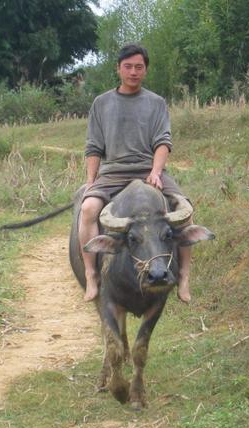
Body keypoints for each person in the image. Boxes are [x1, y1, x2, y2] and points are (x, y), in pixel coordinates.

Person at [79, 43, 194, 303]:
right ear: (118, 69)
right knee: (88, 209)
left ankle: (184, 276)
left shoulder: (156, 103)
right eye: (128, 67)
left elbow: (163, 141)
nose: (133, 72)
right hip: (112, 173)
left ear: (145, 70)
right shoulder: (101, 103)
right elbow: (94, 146)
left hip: (147, 170)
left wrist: (156, 171)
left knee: (184, 211)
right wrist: (90, 181)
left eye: (138, 67)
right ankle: (91, 274)